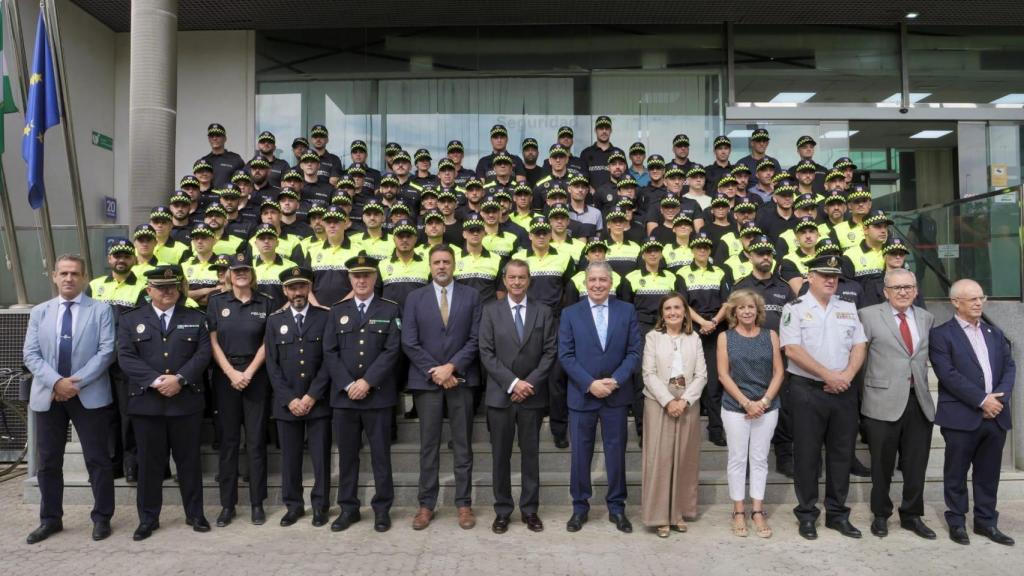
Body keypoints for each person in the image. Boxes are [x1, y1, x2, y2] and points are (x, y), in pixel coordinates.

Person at [23, 255, 117, 544]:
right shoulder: (39, 312)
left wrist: (74, 384)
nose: (69, 278)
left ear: (84, 277)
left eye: (75, 273)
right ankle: (50, 519)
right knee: (48, 461)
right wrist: (56, 382)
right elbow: (31, 354)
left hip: (87, 393)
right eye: (63, 273)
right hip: (49, 394)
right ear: (53, 276)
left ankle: (102, 518)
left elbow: (106, 351)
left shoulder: (100, 310)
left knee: (98, 460)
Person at [117, 265, 213, 541]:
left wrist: (179, 379)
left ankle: (195, 514)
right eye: (160, 287)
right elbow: (125, 356)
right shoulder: (130, 319)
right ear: (149, 291)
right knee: (149, 464)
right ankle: (148, 518)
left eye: (172, 285)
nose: (167, 291)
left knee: (189, 462)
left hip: (185, 402)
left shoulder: (195, 317)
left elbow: (203, 352)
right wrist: (158, 381)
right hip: (147, 404)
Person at [779, 254, 867, 540]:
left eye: (835, 276)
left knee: (842, 455)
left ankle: (837, 514)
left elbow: (859, 345)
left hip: (843, 391)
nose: (831, 280)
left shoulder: (848, 307)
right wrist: (829, 375)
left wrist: (847, 377)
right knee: (807, 456)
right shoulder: (794, 308)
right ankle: (806, 514)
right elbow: (792, 349)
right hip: (808, 391)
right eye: (824, 274)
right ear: (810, 277)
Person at [401, 244, 483, 531]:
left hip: (460, 380)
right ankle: (426, 505)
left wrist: (452, 367)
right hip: (427, 382)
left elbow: (475, 338)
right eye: (436, 262)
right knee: (429, 446)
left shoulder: (471, 296)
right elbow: (409, 341)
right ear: (429, 265)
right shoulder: (415, 298)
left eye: (446, 261)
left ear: (454, 264)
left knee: (462, 445)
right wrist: (436, 371)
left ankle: (463, 504)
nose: (441, 266)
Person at [930, 279, 1016, 546]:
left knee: (988, 474)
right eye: (973, 299)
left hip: (996, 415)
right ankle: (957, 521)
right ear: (956, 302)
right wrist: (982, 400)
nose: (979, 303)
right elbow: (948, 375)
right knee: (956, 472)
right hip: (961, 417)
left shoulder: (995, 332)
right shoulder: (941, 335)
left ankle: (986, 522)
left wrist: (997, 400)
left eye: (982, 298)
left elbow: (1009, 368)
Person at [559, 261, 642, 534]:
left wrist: (615, 380)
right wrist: (590, 384)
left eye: (602, 280)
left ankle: (617, 508)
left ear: (611, 282)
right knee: (580, 454)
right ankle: (579, 507)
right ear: (585, 282)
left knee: (616, 453)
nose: (597, 285)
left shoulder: (627, 310)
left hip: (616, 397)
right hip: (583, 396)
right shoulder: (570, 313)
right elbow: (566, 356)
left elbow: (633, 352)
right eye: (592, 280)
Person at [323, 254, 403, 533]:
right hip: (345, 398)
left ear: (375, 278)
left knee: (381, 455)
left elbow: (392, 350)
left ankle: (382, 509)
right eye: (356, 275)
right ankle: (348, 508)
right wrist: (348, 384)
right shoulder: (336, 310)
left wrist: (367, 382)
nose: (361, 280)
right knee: (347, 456)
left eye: (367, 275)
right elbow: (329, 352)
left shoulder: (389, 309)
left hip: (377, 395)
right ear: (350, 279)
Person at [478, 259, 557, 534]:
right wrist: (513, 383)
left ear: (529, 280)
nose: (517, 282)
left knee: (530, 456)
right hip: (500, 396)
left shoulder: (543, 312)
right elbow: (486, 353)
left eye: (522, 278)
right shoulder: (490, 311)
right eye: (512, 277)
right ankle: (502, 510)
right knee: (500, 456)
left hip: (532, 396)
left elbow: (549, 352)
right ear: (504, 279)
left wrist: (529, 383)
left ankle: (530, 510)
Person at [858, 269, 937, 540]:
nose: (903, 292)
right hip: (882, 400)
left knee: (916, 464)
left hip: (919, 401)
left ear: (916, 290)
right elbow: (859, 359)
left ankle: (912, 515)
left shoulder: (926, 318)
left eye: (908, 287)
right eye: (897, 287)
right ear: (885, 291)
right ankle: (881, 514)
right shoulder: (867, 316)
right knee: (882, 465)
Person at [206, 253, 274, 527]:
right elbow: (212, 341)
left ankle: (257, 503)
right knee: (229, 443)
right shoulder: (216, 302)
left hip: (256, 376)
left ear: (252, 273)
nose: (241, 274)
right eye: (236, 271)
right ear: (228, 275)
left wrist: (248, 372)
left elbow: (268, 342)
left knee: (256, 442)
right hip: (226, 377)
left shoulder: (266, 302)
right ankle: (227, 505)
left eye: (245, 270)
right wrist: (232, 373)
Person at [264, 267, 333, 528]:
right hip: (287, 403)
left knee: (320, 458)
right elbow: (272, 364)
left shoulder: (325, 317)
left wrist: (312, 396)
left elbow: (329, 360)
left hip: (318, 401)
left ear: (310, 288)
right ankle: (293, 505)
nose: (297, 293)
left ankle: (320, 506)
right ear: (285, 291)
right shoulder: (274, 321)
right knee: (290, 459)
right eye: (292, 288)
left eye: (302, 287)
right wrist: (290, 399)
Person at [717, 289, 784, 539]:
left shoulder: (771, 335)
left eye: (751, 307)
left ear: (758, 311)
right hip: (736, 407)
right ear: (734, 312)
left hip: (767, 407)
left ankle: (757, 511)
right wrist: (746, 403)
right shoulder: (726, 337)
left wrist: (764, 401)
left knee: (759, 459)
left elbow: (779, 372)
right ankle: (737, 511)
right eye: (741, 308)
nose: (746, 311)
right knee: (737, 459)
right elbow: (723, 374)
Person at [640, 293, 706, 537]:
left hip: (688, 402)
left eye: (678, 307)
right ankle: (659, 516)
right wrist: (668, 401)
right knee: (660, 459)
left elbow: (701, 375)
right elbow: (648, 373)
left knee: (684, 458)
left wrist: (685, 400)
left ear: (685, 312)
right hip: (658, 403)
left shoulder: (694, 338)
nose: (673, 312)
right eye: (668, 308)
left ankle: (678, 512)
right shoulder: (652, 337)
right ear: (662, 313)